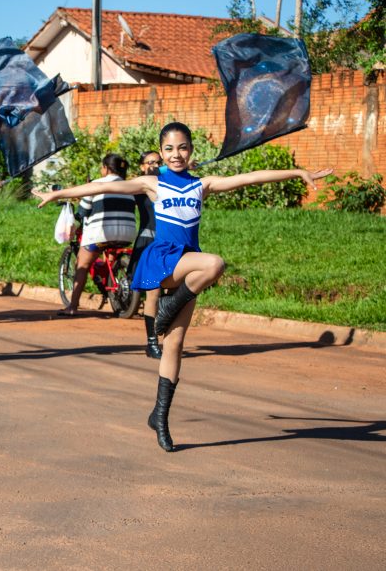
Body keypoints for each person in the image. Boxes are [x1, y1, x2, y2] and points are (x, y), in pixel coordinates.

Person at [34, 121, 331, 452]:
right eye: (170, 149)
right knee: (215, 263)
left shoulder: (202, 184)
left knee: (174, 345)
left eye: (183, 148)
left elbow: (250, 177)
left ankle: (159, 416)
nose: (177, 154)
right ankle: (163, 310)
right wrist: (59, 193)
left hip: (190, 269)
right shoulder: (153, 183)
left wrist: (298, 173)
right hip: (163, 260)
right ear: (161, 153)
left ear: (192, 151)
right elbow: (102, 188)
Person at [58, 153, 137, 317]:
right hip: (127, 234)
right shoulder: (131, 185)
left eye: (102, 167)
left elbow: (83, 211)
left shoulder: (96, 184)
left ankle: (72, 306)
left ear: (106, 168)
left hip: (102, 233)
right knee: (108, 253)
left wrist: (79, 215)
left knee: (82, 263)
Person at [128, 151, 164, 359]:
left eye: (157, 162)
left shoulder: (168, 183)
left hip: (172, 242)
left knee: (174, 293)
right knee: (154, 293)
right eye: (149, 162)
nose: (154, 165)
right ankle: (152, 342)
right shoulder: (140, 186)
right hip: (149, 243)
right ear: (142, 166)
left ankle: (167, 335)